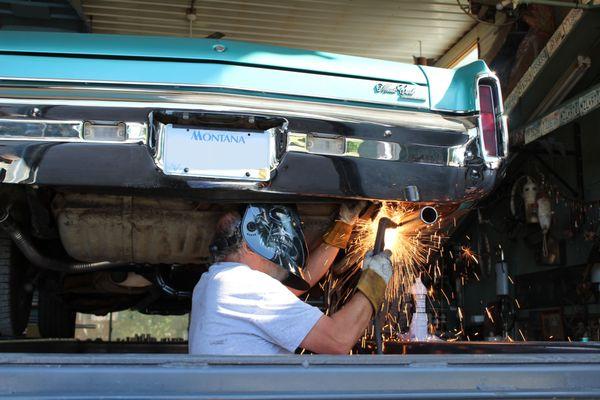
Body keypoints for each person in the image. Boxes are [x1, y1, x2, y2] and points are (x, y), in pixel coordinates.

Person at [188, 203, 393, 355]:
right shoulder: (244, 285)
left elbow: (289, 291)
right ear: (250, 245)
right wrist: (375, 279)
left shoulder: (215, 281)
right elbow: (338, 340)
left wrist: (343, 227)